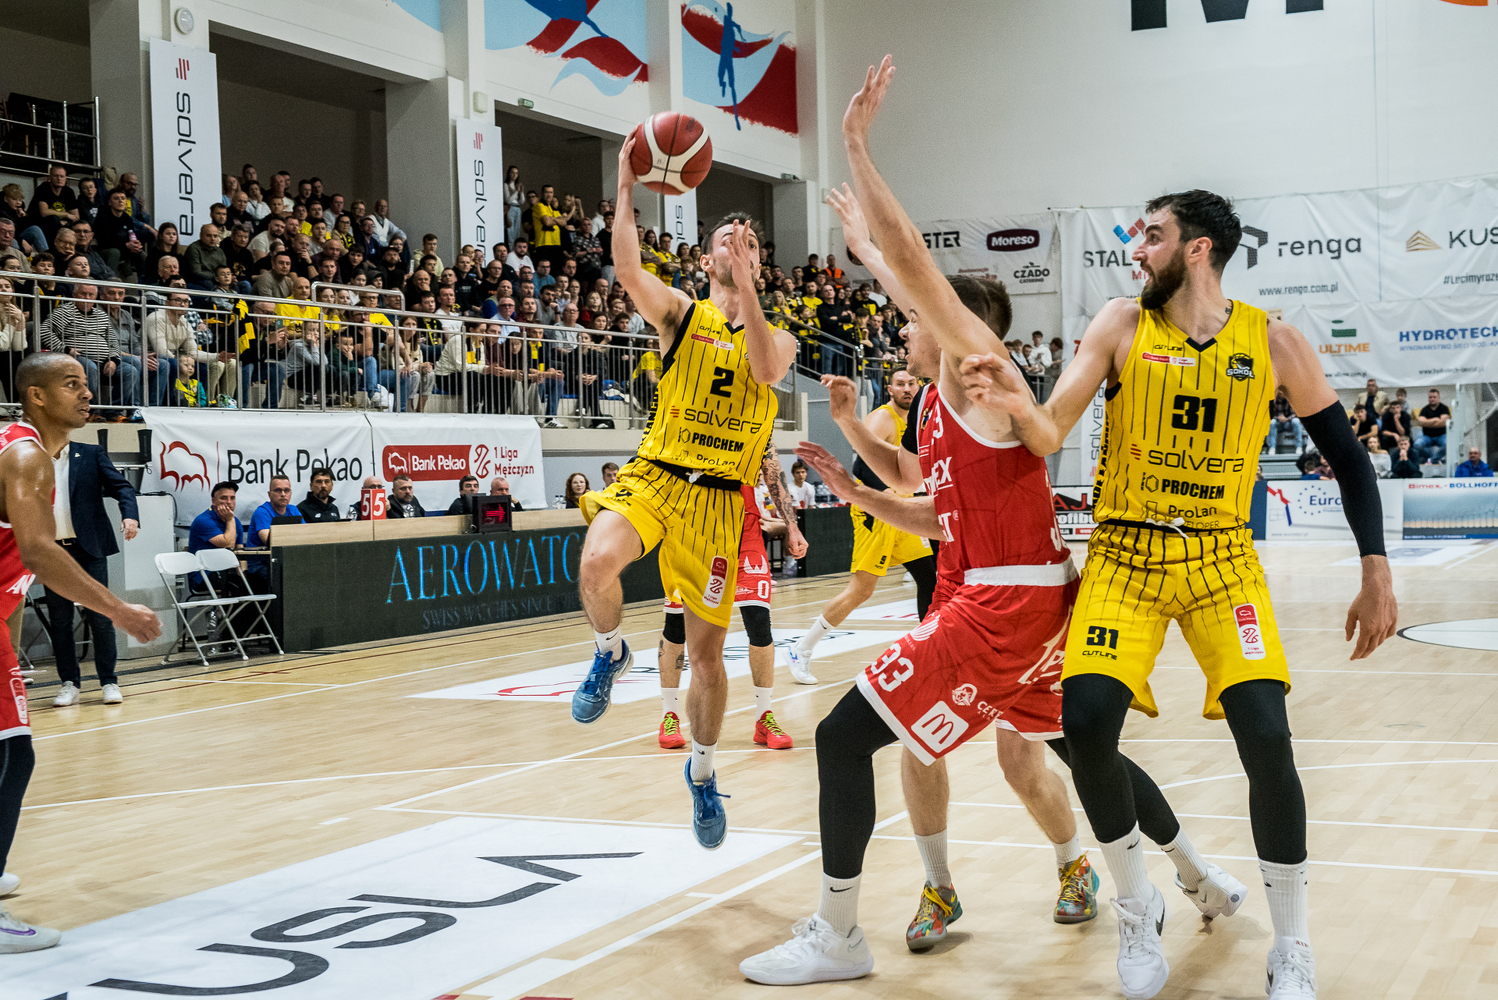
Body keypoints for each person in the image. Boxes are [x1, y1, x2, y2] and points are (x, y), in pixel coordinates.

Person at [959, 176, 1398, 995]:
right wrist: (1011, 398)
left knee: (1267, 736)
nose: (1137, 251)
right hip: (1124, 552)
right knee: (1086, 721)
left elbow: (1349, 459)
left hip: (1222, 560)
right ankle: (1138, 907)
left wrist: (1376, 568)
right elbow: (1050, 430)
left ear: (1198, 249)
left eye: (1152, 236)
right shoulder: (1122, 324)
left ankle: (1292, 945)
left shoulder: (1274, 343)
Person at [571, 132, 796, 855]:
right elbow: (626, 267)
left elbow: (765, 370)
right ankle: (610, 652)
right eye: (728, 241)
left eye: (751, 245)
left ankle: (702, 770)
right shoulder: (680, 314)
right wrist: (625, 180)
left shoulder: (780, 338)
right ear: (705, 260)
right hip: (660, 474)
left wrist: (749, 285)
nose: (740, 248)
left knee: (706, 660)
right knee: (595, 562)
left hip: (719, 504)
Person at [0, 353, 160, 949]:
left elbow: (18, 567)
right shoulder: (27, 456)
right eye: (72, 385)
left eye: (87, 384)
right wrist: (118, 610)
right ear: (36, 396)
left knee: (11, 754)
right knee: (11, 757)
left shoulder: (20, 448)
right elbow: (39, 552)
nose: (87, 394)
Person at [786, 367, 935, 685]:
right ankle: (801, 649)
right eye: (900, 384)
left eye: (912, 383)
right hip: (876, 514)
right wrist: (885, 498)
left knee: (929, 577)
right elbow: (861, 466)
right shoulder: (882, 418)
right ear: (889, 389)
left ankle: (930, 652)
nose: (907, 388)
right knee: (861, 590)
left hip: (900, 513)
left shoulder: (915, 419)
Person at [658, 444, 808, 752]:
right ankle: (669, 715)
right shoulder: (689, 420)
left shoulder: (759, 426)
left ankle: (764, 716)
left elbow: (773, 476)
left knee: (759, 622)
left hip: (745, 530)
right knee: (676, 626)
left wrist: (792, 526)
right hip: (692, 528)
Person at [44, 437, 140, 708]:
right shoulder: (34, 455)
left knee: (101, 616)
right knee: (60, 620)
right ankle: (69, 683)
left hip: (88, 547)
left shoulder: (90, 453)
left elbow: (122, 487)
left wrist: (130, 515)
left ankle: (109, 681)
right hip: (52, 550)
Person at [250, 475, 304, 546]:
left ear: (290, 493)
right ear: (269, 494)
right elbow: (270, 541)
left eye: (286, 490)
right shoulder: (262, 512)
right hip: (264, 553)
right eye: (278, 490)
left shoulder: (293, 510)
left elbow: (305, 535)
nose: (283, 494)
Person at [1414, 388, 1450, 465]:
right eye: (1430, 397)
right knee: (1417, 445)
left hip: (1441, 436)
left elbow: (1444, 422)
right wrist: (1436, 420)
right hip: (1427, 436)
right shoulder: (1424, 410)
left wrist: (1427, 422)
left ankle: (1433, 459)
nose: (1432, 399)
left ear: (1438, 398)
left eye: (1434, 397)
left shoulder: (1444, 408)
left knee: (1448, 444)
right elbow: (1421, 423)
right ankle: (1432, 457)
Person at [1266, 388, 1304, 454]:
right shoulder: (1273, 400)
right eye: (1279, 390)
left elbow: (1295, 413)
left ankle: (1299, 447)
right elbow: (1269, 413)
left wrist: (1286, 418)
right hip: (1278, 422)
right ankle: (1272, 447)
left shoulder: (1290, 399)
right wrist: (1278, 418)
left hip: (1288, 423)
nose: (1281, 392)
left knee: (1296, 421)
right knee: (1272, 422)